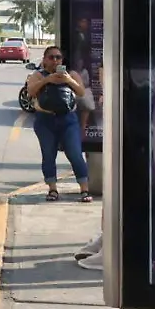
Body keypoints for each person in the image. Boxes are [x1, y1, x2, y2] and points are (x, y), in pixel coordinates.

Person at [25, 45, 92, 203]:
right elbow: (31, 92)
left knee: (75, 154)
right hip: (45, 120)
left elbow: (81, 92)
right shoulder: (38, 75)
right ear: (45, 60)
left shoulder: (72, 74)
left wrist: (68, 80)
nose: (55, 60)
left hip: (68, 120)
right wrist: (46, 80)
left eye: (58, 57)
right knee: (48, 155)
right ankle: (52, 189)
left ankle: (84, 189)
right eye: (51, 57)